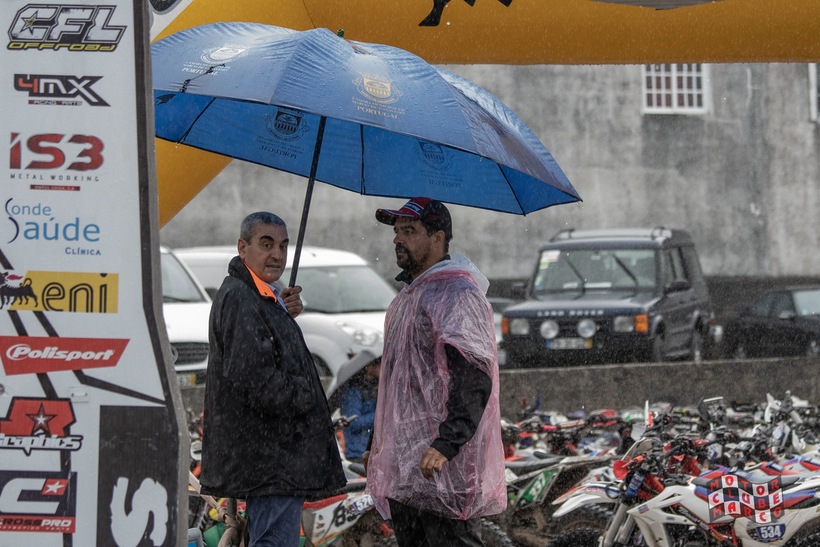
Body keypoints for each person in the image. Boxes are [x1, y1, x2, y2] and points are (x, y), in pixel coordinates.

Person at [364, 197, 507, 546]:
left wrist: (447, 443)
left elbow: (474, 376)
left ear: (438, 237)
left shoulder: (457, 295)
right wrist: (378, 444)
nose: (398, 239)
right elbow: (397, 387)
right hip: (406, 468)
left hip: (442, 466)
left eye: (409, 231)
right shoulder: (408, 299)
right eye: (397, 232)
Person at [199, 211, 346, 546]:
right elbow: (254, 378)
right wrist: (305, 396)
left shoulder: (260, 295)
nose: (277, 254)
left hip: (272, 460)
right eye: (266, 244)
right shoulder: (241, 297)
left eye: (283, 246)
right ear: (242, 247)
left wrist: (280, 308)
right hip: (270, 460)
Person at [340, 357, 381, 462]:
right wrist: (379, 415)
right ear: (369, 368)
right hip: (358, 453)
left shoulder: (377, 388)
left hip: (374, 452)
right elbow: (353, 422)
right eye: (380, 365)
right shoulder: (354, 392)